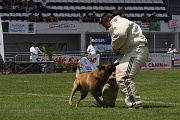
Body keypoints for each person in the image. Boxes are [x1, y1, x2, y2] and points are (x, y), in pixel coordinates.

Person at [99, 13, 149, 109]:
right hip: (128, 52)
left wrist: (115, 47)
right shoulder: (119, 23)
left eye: (106, 25)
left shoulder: (118, 22)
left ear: (109, 19)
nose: (106, 28)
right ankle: (107, 103)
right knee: (111, 76)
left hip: (136, 50)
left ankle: (135, 104)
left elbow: (120, 34)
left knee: (124, 77)